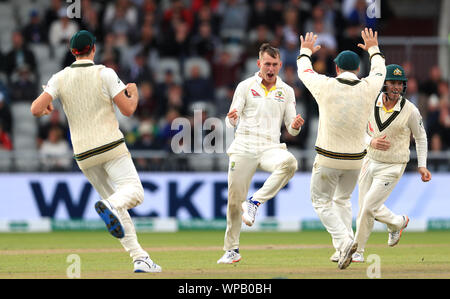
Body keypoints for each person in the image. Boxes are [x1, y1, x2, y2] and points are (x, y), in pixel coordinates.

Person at [30, 30, 161, 273]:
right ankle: (110, 206)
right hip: (110, 147)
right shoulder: (105, 73)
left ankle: (139, 258)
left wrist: (48, 107)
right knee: (134, 193)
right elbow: (128, 110)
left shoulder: (59, 77)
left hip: (83, 156)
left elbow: (35, 109)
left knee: (117, 205)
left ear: (72, 52)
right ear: (93, 48)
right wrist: (134, 93)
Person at [296, 28, 386, 269]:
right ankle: (344, 250)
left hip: (328, 157)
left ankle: (346, 241)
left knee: (321, 202)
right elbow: (380, 70)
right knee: (343, 199)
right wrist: (373, 49)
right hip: (357, 160)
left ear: (336, 68)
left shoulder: (325, 85)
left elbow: (304, 71)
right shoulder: (368, 87)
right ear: (357, 69)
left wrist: (305, 51)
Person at [217, 43, 305, 264]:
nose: (271, 68)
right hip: (244, 145)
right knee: (234, 200)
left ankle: (255, 202)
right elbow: (230, 120)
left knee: (290, 163)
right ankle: (231, 250)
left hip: (270, 146)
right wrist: (232, 118)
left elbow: (291, 128)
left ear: (280, 65)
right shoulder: (245, 86)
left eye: (275, 64)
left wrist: (295, 125)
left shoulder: (286, 91)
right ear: (259, 64)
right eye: (267, 63)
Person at [351, 64, 432, 263]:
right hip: (369, 160)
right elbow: (356, 130)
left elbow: (421, 137)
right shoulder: (370, 102)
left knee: (370, 206)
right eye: (392, 83)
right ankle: (393, 225)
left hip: (393, 165)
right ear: (384, 83)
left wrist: (422, 165)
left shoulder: (410, 110)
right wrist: (371, 141)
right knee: (363, 208)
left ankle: (360, 248)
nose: (396, 87)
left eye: (400, 83)